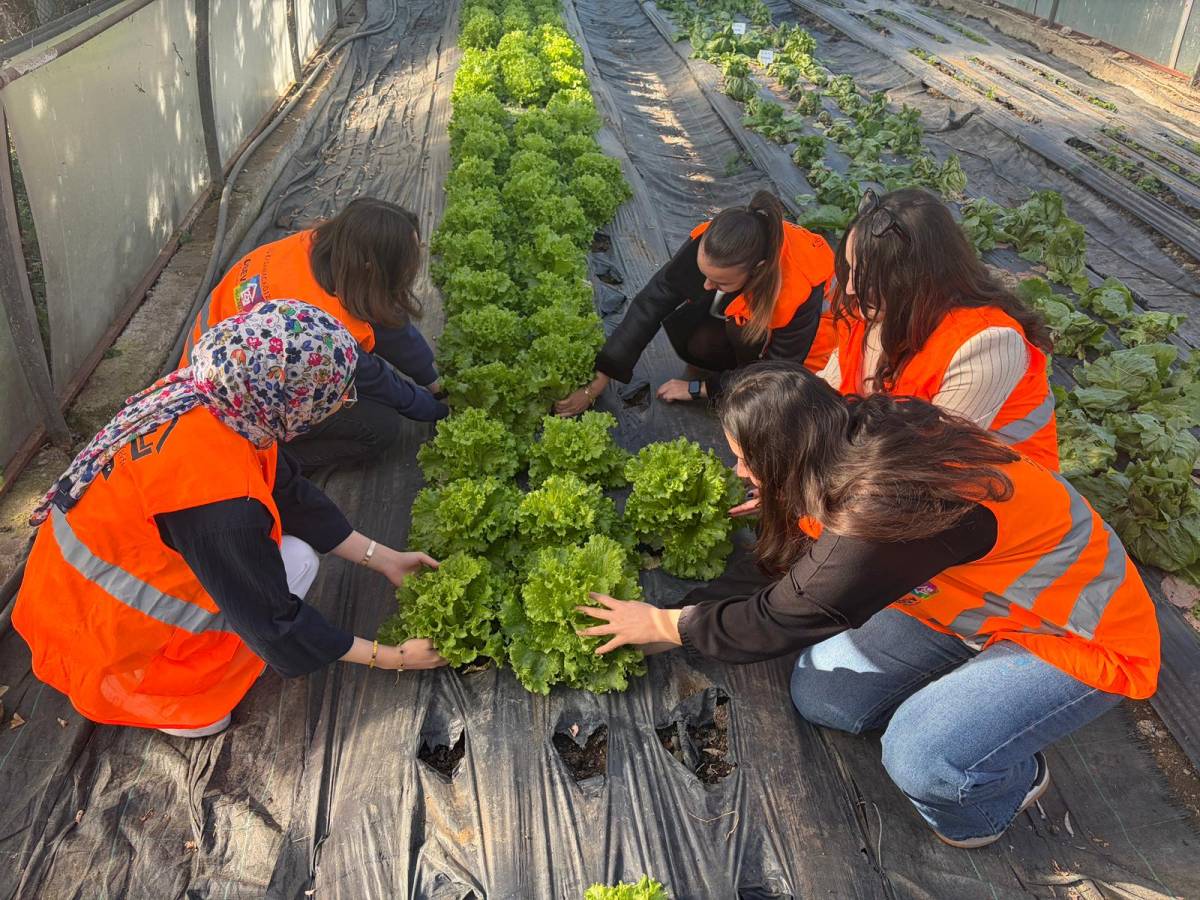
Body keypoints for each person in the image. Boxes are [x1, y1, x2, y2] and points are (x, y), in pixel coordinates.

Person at [578, 362, 1159, 849]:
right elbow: (806, 565)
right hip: (967, 606)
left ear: (785, 453)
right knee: (824, 695)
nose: (740, 471)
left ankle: (1002, 785)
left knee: (922, 758)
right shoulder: (851, 436)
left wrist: (661, 622)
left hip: (1074, 631)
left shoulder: (886, 515)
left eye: (746, 458)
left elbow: (783, 616)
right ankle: (972, 699)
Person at [16, 302, 447, 739]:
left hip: (66, 592)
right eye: (329, 397)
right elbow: (272, 623)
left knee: (296, 559)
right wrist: (392, 657)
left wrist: (386, 558)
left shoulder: (218, 394)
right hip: (102, 642)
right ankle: (146, 690)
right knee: (210, 714)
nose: (337, 406)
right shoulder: (220, 501)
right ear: (288, 397)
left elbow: (290, 493)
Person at [179, 198, 448, 470]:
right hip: (223, 409)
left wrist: (434, 383)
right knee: (380, 425)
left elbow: (384, 314)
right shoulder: (324, 328)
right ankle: (269, 466)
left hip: (220, 353)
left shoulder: (322, 246)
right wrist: (438, 410)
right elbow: (374, 379)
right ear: (371, 267)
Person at [821, 187, 1058, 468]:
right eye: (851, 269)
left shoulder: (987, 344)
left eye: (868, 279)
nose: (850, 288)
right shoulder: (872, 311)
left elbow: (922, 462)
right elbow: (825, 391)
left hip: (996, 495)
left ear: (913, 280)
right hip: (883, 469)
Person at [554, 191, 837, 416]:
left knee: (765, 404)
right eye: (706, 275)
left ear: (758, 270)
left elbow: (777, 374)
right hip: (755, 308)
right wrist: (602, 378)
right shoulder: (718, 242)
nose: (706, 286)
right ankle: (730, 369)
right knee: (698, 341)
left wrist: (697, 389)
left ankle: (729, 382)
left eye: (720, 283)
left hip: (812, 350)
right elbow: (654, 300)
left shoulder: (799, 286)